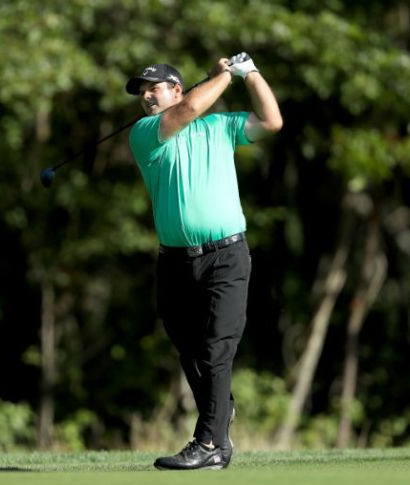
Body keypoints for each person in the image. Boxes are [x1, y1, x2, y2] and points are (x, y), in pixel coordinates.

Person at [125, 52, 283, 470]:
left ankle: (209, 442)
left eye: (154, 89)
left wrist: (250, 74)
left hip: (226, 256)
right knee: (190, 351)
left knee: (216, 348)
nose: (146, 96)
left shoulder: (221, 127)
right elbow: (190, 109)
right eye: (142, 92)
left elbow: (271, 121)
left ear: (176, 88)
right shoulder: (146, 133)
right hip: (175, 263)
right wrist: (223, 76)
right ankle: (219, 413)